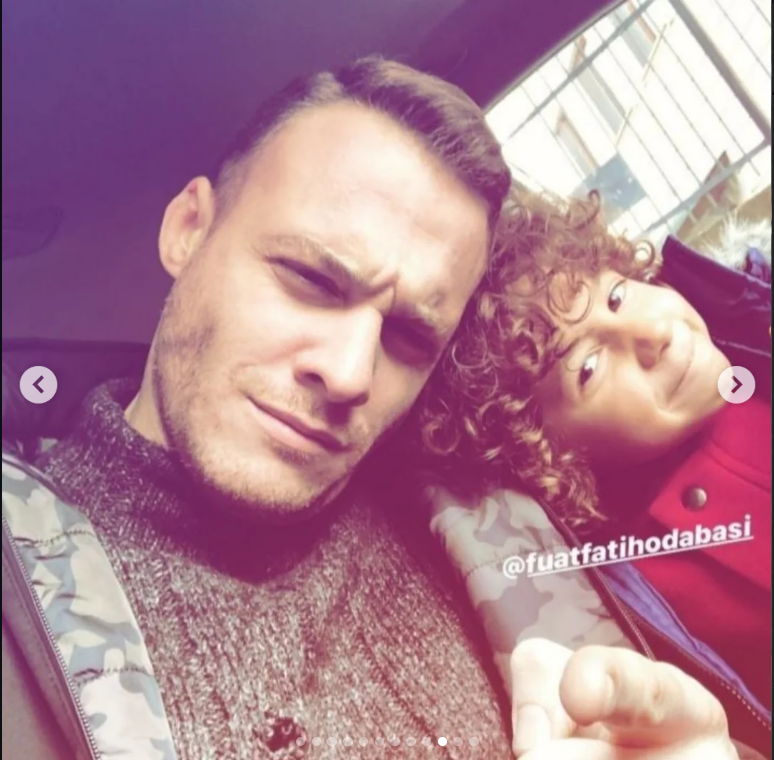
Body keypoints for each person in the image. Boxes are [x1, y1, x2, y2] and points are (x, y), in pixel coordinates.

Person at [1, 57, 752, 760]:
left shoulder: (482, 526)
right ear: (188, 229)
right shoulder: (22, 580)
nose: (349, 373)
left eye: (409, 337)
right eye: (311, 280)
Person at [420, 187, 771, 758]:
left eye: (616, 295)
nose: (653, 333)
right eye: (588, 367)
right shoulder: (631, 593)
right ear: (547, 454)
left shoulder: (757, 340)